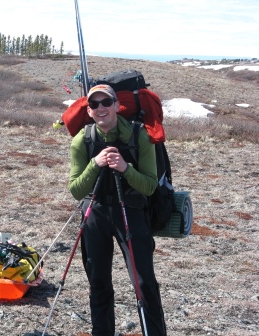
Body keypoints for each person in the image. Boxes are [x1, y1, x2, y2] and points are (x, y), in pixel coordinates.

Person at [68, 84, 167, 336]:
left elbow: (149, 186)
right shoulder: (83, 139)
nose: (100, 108)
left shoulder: (139, 136)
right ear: (89, 111)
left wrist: (125, 168)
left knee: (143, 283)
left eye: (106, 102)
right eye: (94, 104)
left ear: (116, 105)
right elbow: (77, 190)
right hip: (95, 213)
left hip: (131, 211)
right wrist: (95, 164)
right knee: (98, 282)